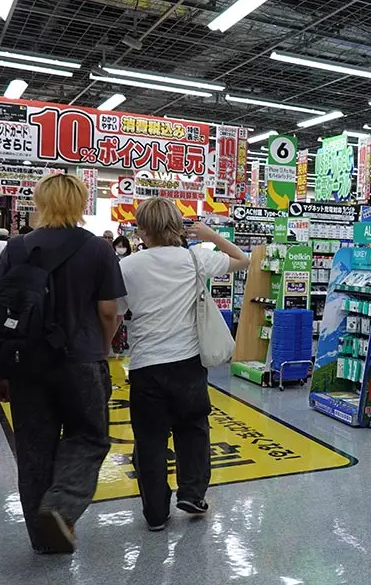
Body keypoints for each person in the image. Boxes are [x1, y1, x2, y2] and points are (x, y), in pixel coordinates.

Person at [0, 174, 125, 554]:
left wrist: (1, 372)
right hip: (81, 359)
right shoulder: (98, 249)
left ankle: (43, 538)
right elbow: (109, 311)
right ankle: (61, 507)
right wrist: (101, 347)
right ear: (81, 203)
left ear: (40, 202)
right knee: (89, 436)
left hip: (27, 362)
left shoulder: (16, 248)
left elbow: (1, 313)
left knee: (34, 447)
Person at [115, 198, 248, 531]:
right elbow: (242, 259)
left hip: (145, 365)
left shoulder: (127, 266)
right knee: (192, 429)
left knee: (150, 440)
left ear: (142, 230)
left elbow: (116, 313)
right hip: (187, 362)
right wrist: (210, 234)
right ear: (177, 226)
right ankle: (192, 493)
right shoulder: (195, 258)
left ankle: (155, 512)